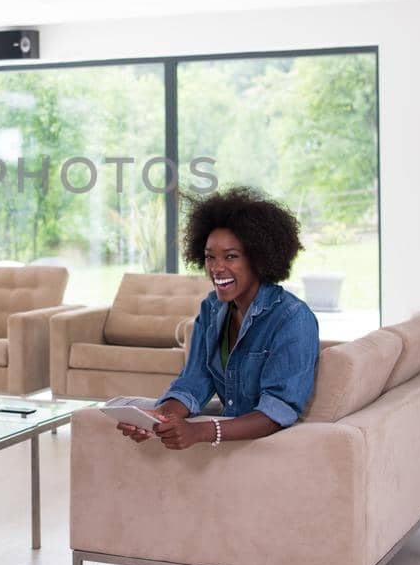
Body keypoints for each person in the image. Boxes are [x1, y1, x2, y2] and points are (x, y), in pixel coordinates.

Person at [117, 186, 319, 449]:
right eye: (210, 257)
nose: (216, 268)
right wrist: (161, 417)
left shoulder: (293, 318)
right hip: (227, 440)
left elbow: (277, 412)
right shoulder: (212, 309)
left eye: (231, 257)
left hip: (270, 449)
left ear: (258, 259)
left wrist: (200, 432)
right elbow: (193, 381)